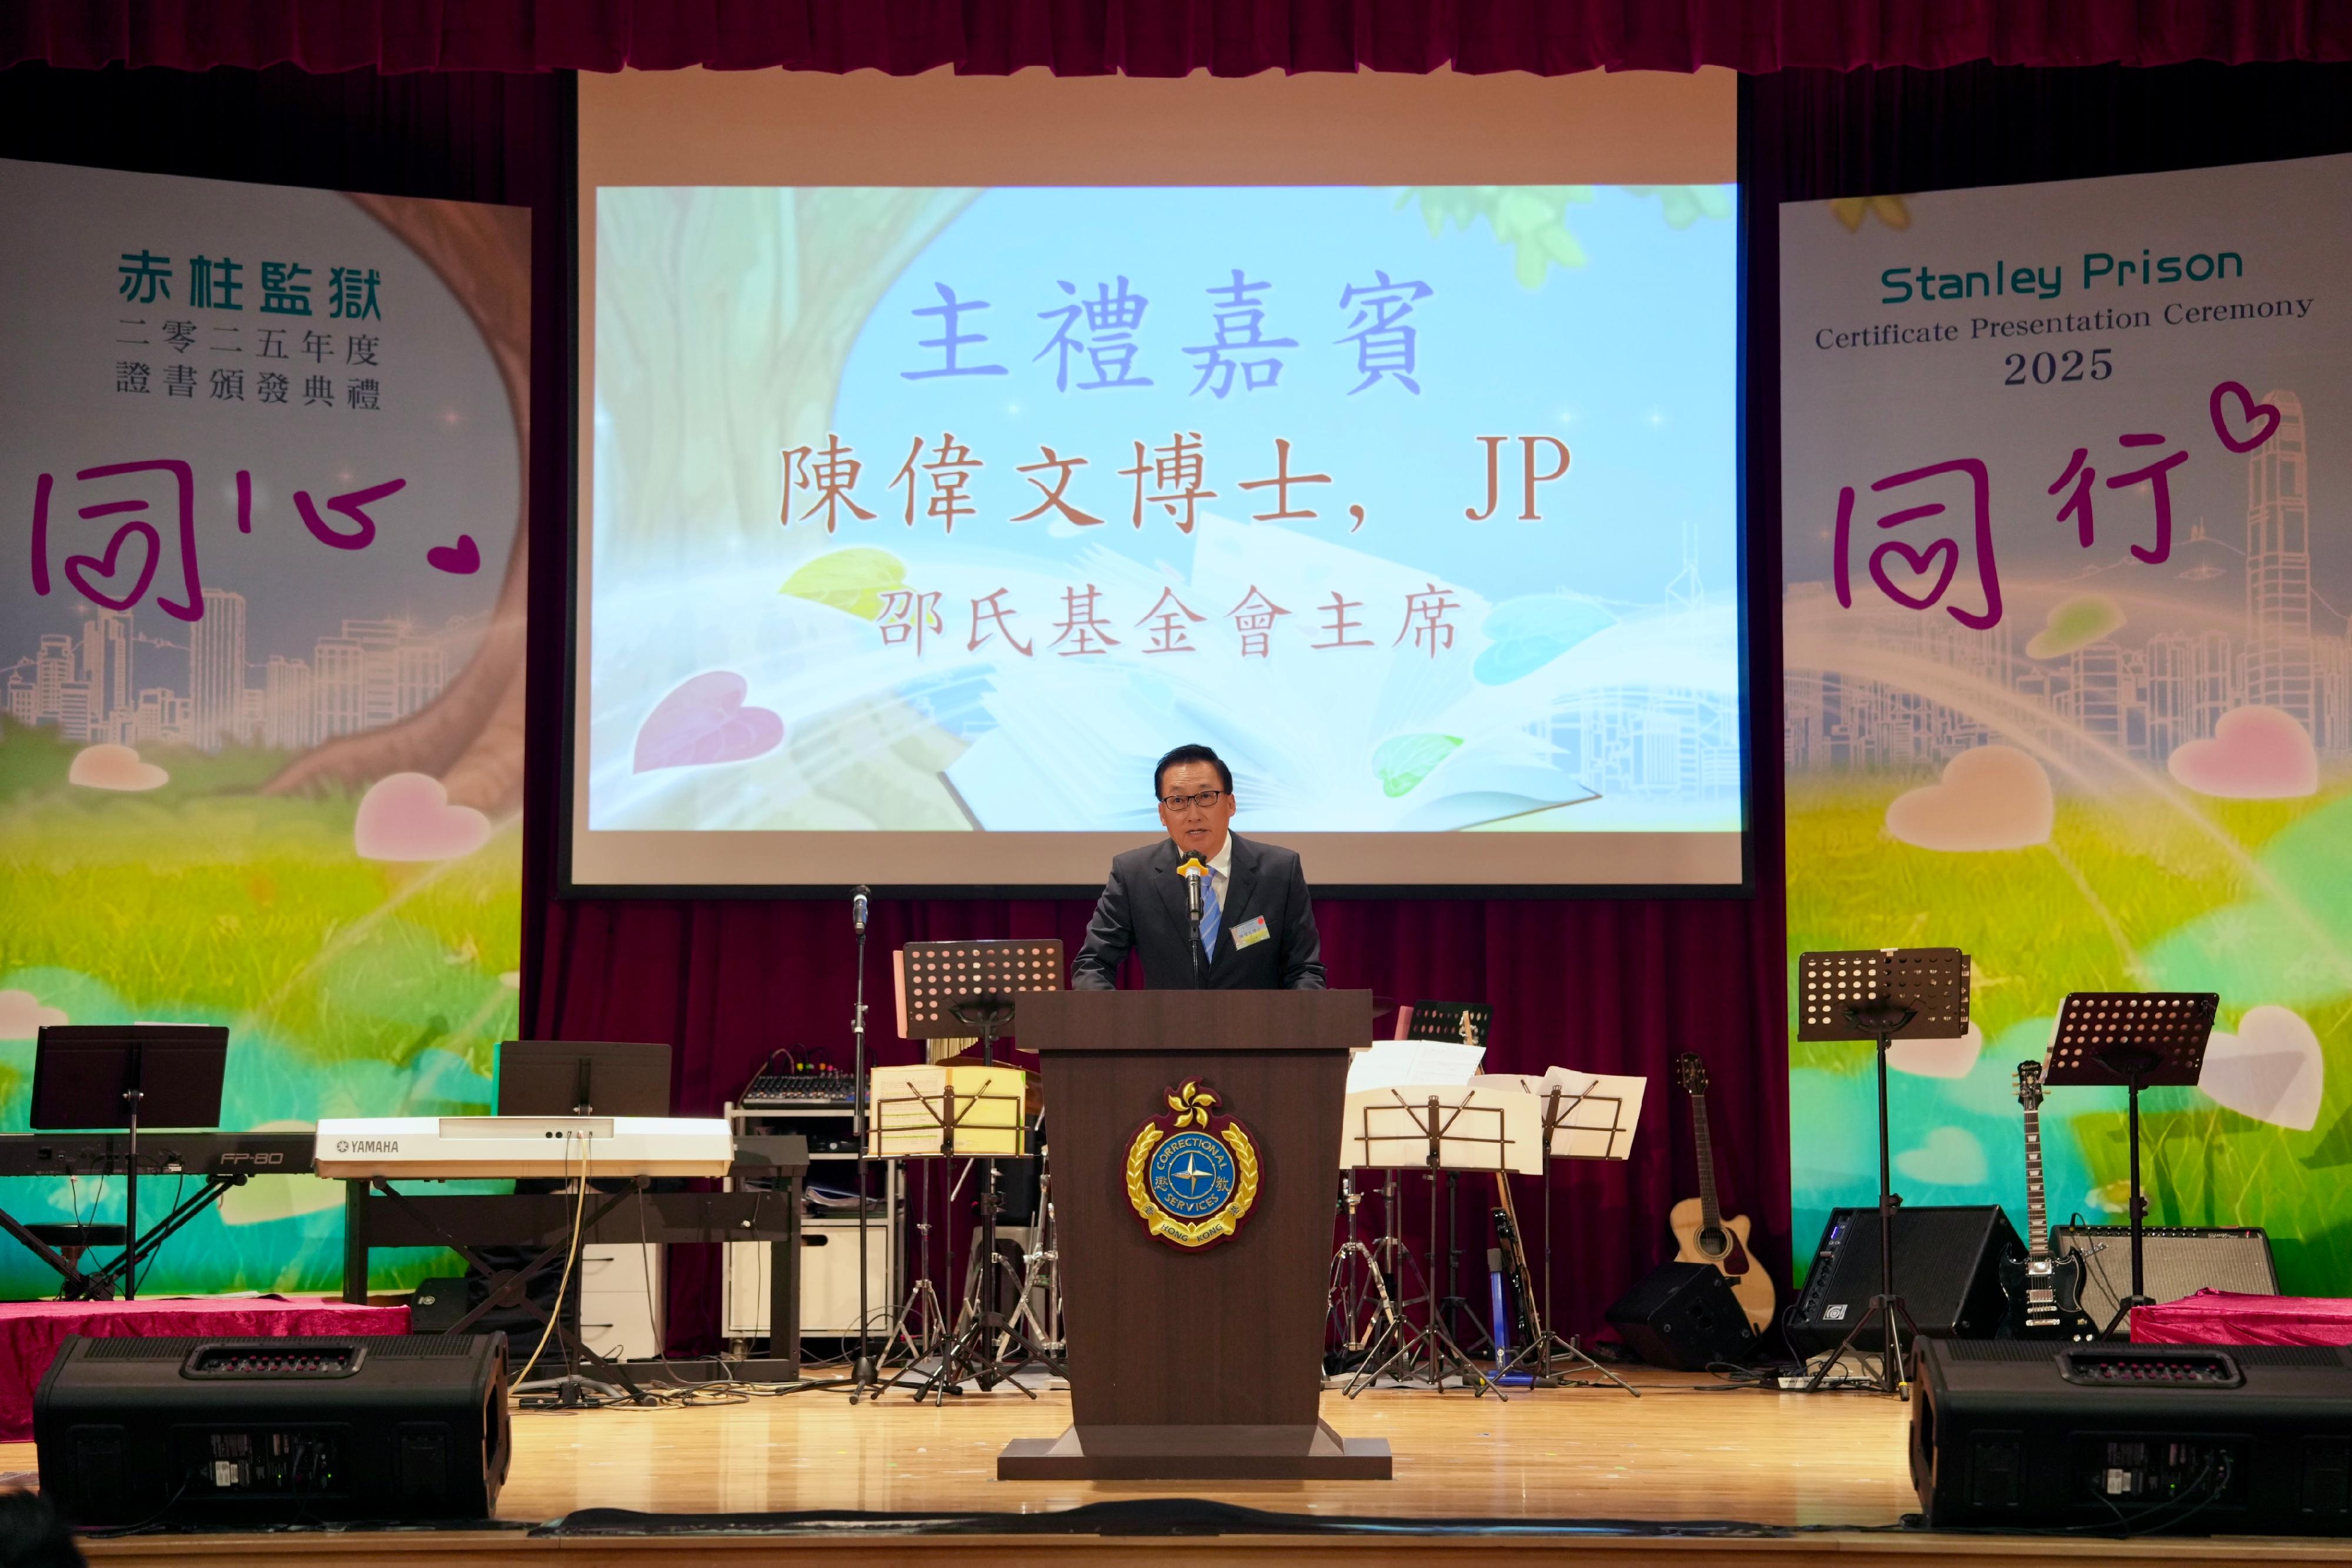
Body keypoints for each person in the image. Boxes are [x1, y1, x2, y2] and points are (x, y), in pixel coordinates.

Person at [1070, 743, 1325, 991]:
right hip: (1163, 1031)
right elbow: (1094, 964)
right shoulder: (1134, 874)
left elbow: (1304, 970)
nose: (1193, 814)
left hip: (1258, 1029)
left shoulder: (1279, 871)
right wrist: (1115, 1027)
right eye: (1178, 800)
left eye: (1205, 797)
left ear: (1231, 804)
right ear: (1162, 814)